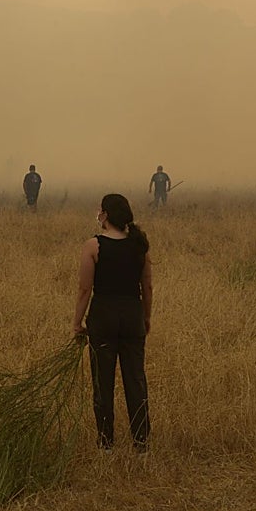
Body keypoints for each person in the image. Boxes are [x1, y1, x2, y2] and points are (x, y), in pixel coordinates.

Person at [72, 193, 153, 454]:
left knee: (102, 381)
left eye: (100, 211)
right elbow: (147, 286)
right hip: (132, 316)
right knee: (136, 380)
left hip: (103, 318)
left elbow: (85, 289)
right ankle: (141, 443)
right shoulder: (139, 245)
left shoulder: (93, 247)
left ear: (106, 215)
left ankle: (106, 443)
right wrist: (146, 317)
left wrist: (76, 323)